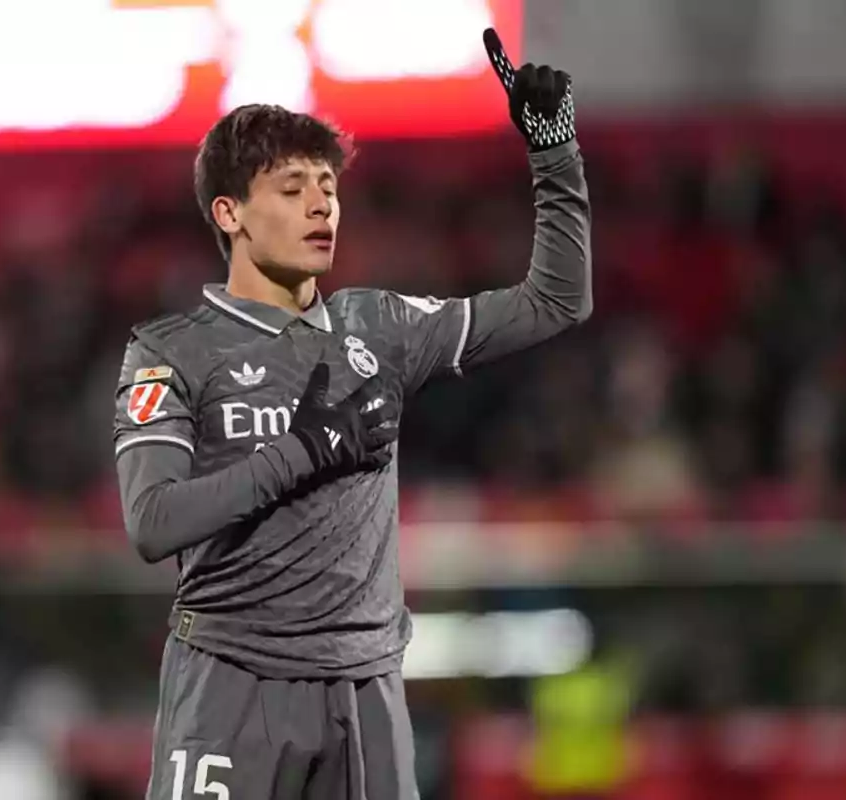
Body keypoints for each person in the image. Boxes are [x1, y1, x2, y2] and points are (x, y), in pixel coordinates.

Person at [114, 29, 591, 800]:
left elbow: (557, 302)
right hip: (234, 685)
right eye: (293, 186)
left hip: (364, 688)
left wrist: (554, 155)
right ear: (230, 213)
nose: (322, 204)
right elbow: (153, 522)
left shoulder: (382, 326)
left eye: (328, 186)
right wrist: (304, 451)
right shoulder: (171, 352)